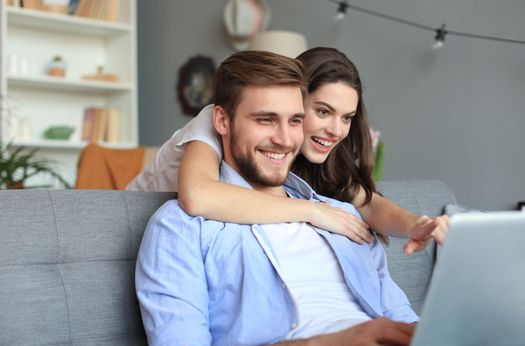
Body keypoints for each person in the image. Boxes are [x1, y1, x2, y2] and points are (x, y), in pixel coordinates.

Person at [136, 50, 418, 346]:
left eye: (295, 120)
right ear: (221, 120)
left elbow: (403, 319)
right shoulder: (182, 227)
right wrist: (324, 345)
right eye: (266, 119)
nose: (285, 140)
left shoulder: (340, 215)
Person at [127, 47, 447, 254]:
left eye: (346, 117)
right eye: (322, 112)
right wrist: (313, 212)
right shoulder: (215, 122)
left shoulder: (297, 157)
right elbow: (198, 196)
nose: (336, 130)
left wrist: (416, 225)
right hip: (129, 218)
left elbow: (366, 203)